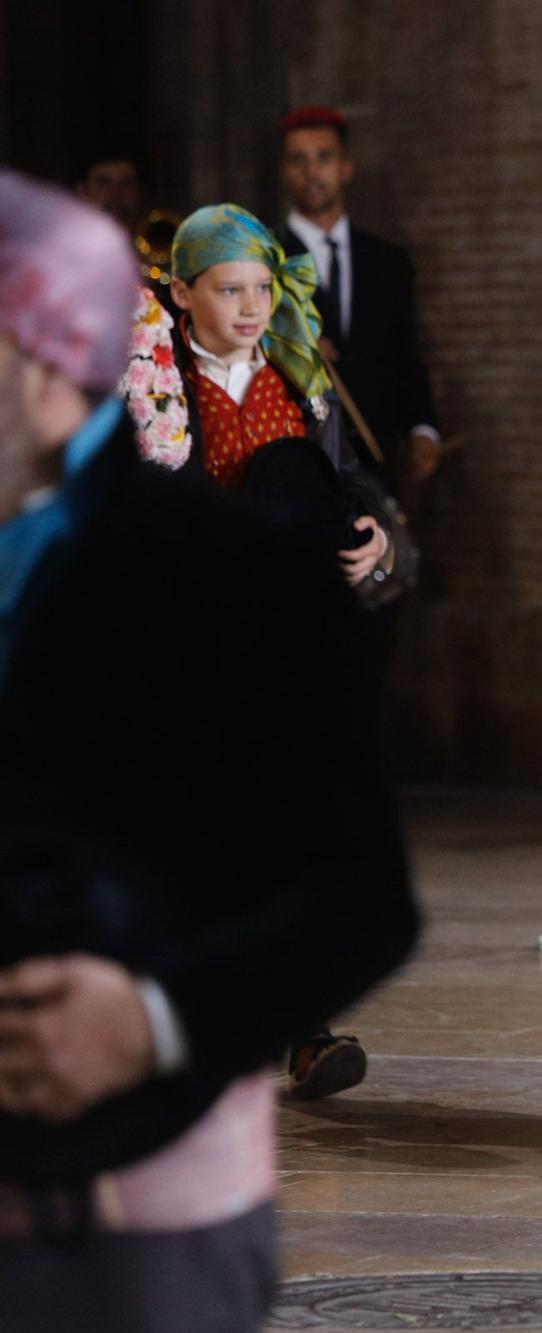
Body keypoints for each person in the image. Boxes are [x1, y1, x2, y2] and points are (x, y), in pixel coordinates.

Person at [0, 169, 418, 1333]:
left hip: (138, 1214)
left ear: (44, 364)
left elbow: (358, 900)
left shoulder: (233, 574)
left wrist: (155, 1018)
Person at [127, 203, 397, 1099]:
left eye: (260, 289)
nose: (249, 308)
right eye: (228, 289)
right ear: (181, 293)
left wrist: (378, 541)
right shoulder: (150, 389)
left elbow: (346, 482)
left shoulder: (296, 374)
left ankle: (305, 1032)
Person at [278, 105, 442, 489]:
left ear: (346, 167)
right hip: (300, 458)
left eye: (324, 158)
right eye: (297, 160)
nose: (311, 172)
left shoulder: (388, 261)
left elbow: (406, 351)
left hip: (377, 460)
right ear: (284, 171)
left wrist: (422, 428)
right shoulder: (266, 259)